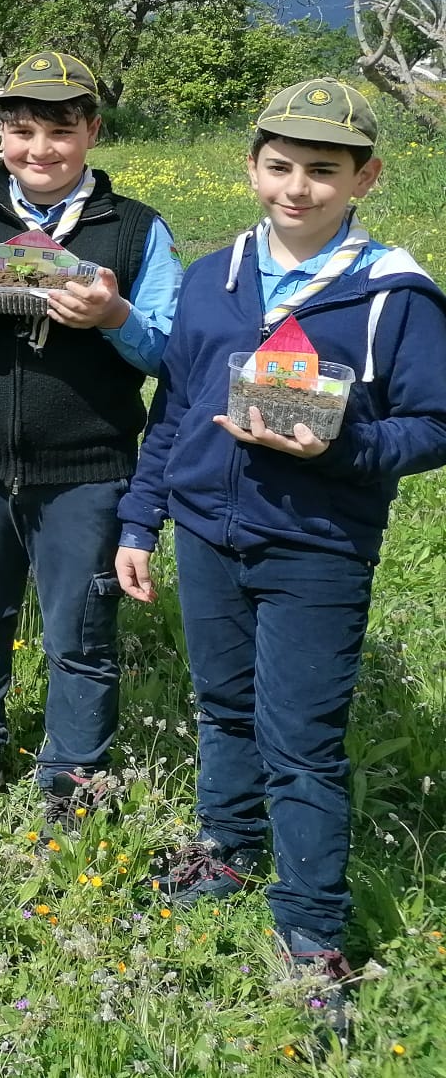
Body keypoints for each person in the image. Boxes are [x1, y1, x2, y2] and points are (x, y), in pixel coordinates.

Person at [114, 80, 446, 1008]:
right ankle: (225, 852)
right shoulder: (214, 278)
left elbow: (434, 424)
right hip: (213, 538)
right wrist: (144, 520)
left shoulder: (395, 297)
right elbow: (175, 410)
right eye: (281, 166)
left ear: (365, 178)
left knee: (300, 740)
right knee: (221, 705)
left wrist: (350, 443)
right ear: (253, 166)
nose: (297, 188)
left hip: (317, 548)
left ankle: (310, 933)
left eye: (323, 172)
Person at [0, 52, 181, 820]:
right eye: (21, 131)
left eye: (61, 130)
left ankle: (72, 777)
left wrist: (114, 318)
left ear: (92, 130)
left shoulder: (135, 230)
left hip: (88, 468)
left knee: (79, 630)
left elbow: (170, 350)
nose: (40, 150)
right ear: (0, 135)